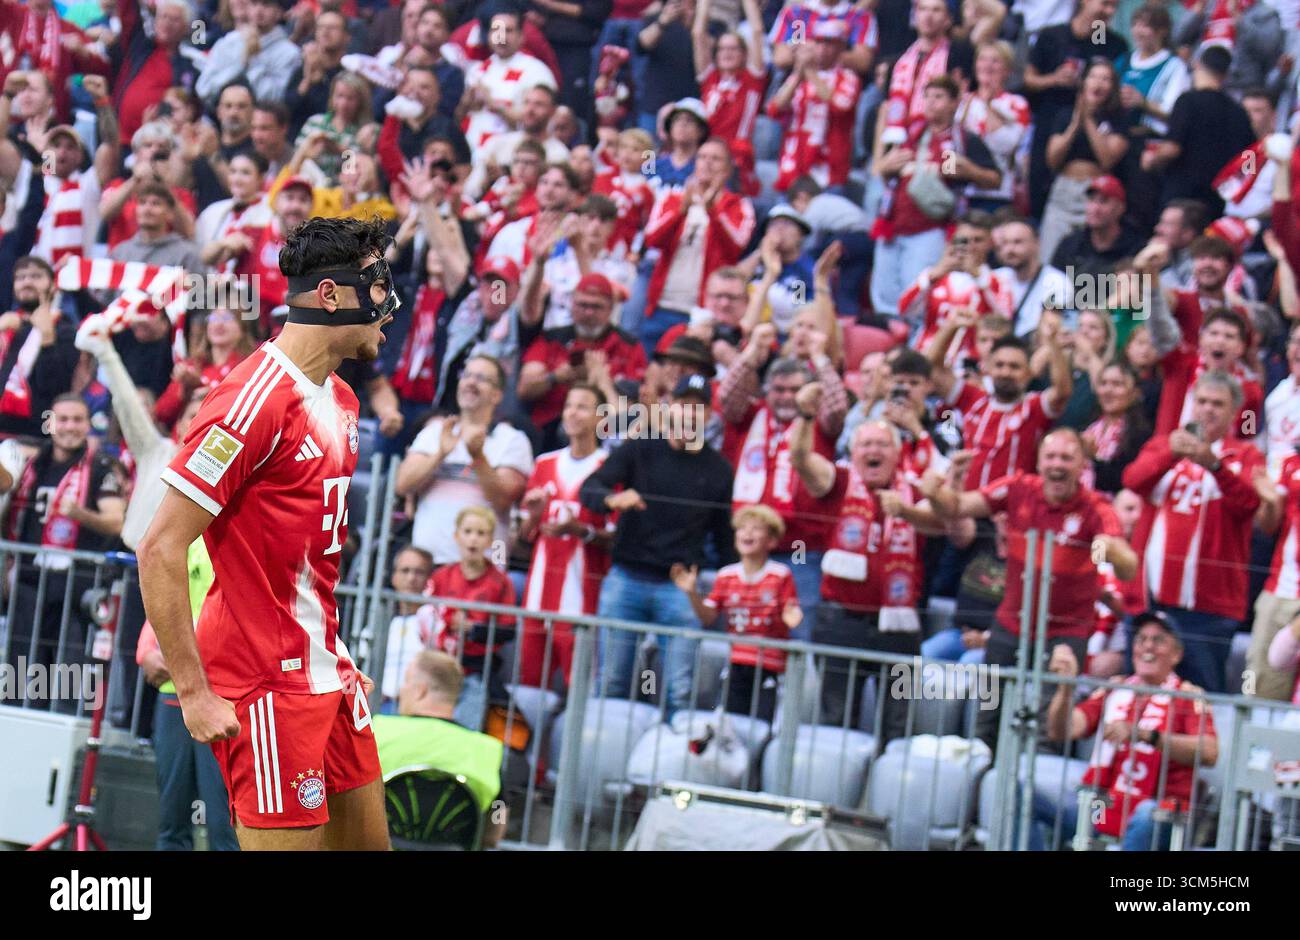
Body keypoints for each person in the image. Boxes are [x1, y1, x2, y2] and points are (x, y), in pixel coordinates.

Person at [137, 216, 401, 851]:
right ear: (330, 296)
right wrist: (194, 692)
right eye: (374, 284)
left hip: (326, 672)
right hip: (264, 685)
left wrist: (329, 650)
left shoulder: (342, 398)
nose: (388, 305)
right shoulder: (248, 402)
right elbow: (160, 546)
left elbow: (302, 559)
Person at [924, 428, 1138, 746]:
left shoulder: (1096, 510)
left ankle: (1033, 784)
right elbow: (956, 507)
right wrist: (933, 492)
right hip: (1011, 622)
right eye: (1051, 456)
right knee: (988, 712)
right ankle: (983, 771)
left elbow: (1128, 567)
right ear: (1038, 463)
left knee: (1048, 724)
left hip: (1066, 632)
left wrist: (1112, 550)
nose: (1058, 464)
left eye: (1067, 458)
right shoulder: (1018, 489)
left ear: (1082, 466)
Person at [578, 373, 736, 716]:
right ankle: (600, 759)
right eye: (684, 405)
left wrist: (734, 586)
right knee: (610, 682)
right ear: (670, 408)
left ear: (708, 416)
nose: (690, 414)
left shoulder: (720, 470)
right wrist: (611, 500)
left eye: (698, 408)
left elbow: (725, 540)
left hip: (680, 586)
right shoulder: (639, 448)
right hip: (626, 578)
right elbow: (590, 488)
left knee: (680, 692)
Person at [792, 412, 944, 740]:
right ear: (853, 450)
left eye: (882, 444)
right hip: (840, 622)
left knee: (898, 723)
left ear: (898, 452)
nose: (873, 450)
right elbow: (801, 460)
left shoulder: (914, 492)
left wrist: (906, 512)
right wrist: (806, 417)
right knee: (837, 717)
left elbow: (942, 524)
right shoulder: (840, 482)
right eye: (865, 444)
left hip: (900, 627)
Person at [1122, 371, 1267, 693]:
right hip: (1150, 601)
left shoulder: (1246, 455)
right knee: (1139, 694)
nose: (1208, 409)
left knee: (1199, 703)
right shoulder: (1164, 445)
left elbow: (1248, 504)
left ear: (1234, 412)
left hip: (1208, 611)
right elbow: (1133, 480)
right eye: (1201, 401)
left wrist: (1214, 465)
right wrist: (1169, 454)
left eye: (1218, 403)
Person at [1040, 613, 1217, 851]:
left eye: (1158, 640)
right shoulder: (1114, 688)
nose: (1147, 646)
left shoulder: (1188, 696)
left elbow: (1209, 752)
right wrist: (1065, 688)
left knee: (1145, 813)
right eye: (1141, 639)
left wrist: (1146, 735)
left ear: (1176, 654)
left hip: (1159, 812)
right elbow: (1061, 730)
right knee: (1020, 791)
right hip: (1102, 808)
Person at [870, 76, 1002, 318]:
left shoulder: (961, 140)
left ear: (954, 103)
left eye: (939, 97)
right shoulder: (910, 134)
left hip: (931, 229)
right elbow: (881, 173)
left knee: (916, 293)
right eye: (927, 97)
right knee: (884, 296)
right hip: (892, 225)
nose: (931, 103)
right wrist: (885, 166)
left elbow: (994, 179)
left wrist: (969, 170)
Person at [518, 384, 613, 690]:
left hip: (582, 594)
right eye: (569, 405)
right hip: (538, 593)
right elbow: (523, 534)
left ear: (601, 418)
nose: (572, 412)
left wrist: (579, 531)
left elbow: (616, 537)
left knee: (578, 687)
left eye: (583, 406)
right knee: (530, 685)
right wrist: (534, 515)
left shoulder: (609, 468)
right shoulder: (544, 463)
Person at [397, 353, 534, 566]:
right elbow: (402, 484)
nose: (471, 382)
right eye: (467, 375)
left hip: (485, 568)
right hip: (426, 566)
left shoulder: (513, 440)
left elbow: (504, 501)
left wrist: (477, 457)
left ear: (497, 395)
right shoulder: (435, 432)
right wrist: (439, 455)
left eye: (481, 378)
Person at [671, 505, 801, 722]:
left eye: (756, 528)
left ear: (771, 540)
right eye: (742, 528)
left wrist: (791, 617)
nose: (747, 533)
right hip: (736, 660)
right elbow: (709, 617)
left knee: (762, 723)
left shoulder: (780, 575)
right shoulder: (725, 575)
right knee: (731, 721)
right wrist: (692, 593)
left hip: (769, 664)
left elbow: (791, 611)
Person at [372, 650, 507, 847]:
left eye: (406, 681)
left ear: (421, 690)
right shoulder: (488, 751)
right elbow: (496, 825)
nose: (401, 690)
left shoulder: (376, 731)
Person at [641, 136, 755, 352]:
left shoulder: (738, 205)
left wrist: (713, 211)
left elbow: (736, 247)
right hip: (662, 305)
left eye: (716, 159)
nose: (707, 163)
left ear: (728, 169)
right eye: (702, 157)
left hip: (705, 311)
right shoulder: (672, 198)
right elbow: (652, 239)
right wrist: (681, 212)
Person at [518, 272, 646, 450]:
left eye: (596, 307)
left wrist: (602, 382)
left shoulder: (629, 346)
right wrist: (556, 377)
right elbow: (524, 388)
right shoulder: (551, 338)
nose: (588, 312)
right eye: (582, 305)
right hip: (546, 431)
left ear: (610, 308)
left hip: (605, 436)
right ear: (572, 303)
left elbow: (630, 419)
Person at [426, 505, 518, 730]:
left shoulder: (501, 582)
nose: (473, 540)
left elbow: (508, 630)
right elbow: (426, 615)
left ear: (490, 541)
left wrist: (473, 629)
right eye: (467, 532)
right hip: (438, 667)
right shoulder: (441, 576)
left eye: (481, 533)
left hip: (476, 671)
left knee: (464, 728)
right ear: (457, 536)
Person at [1141, 45, 1255, 219]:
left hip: (1182, 200)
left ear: (1197, 65)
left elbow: (1172, 148)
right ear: (1225, 74)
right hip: (1218, 201)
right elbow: (1250, 157)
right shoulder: (1238, 111)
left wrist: (1152, 161)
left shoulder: (1188, 101)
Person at [1039, 60, 1132, 266]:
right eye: (1093, 77)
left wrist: (1089, 120)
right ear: (1084, 82)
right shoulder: (1064, 115)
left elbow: (1107, 159)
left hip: (1094, 193)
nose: (1098, 83)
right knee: (1049, 255)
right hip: (1064, 190)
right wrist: (1075, 122)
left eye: (1105, 79)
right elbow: (1052, 159)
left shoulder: (1118, 119)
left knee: (1085, 256)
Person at [904, 213, 1012, 366]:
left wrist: (978, 275)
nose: (970, 246)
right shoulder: (933, 276)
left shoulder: (998, 280)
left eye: (978, 240)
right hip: (927, 357)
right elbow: (905, 312)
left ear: (990, 243)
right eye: (964, 240)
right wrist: (935, 274)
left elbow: (1005, 319)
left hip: (972, 363)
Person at [767, 19, 861, 193]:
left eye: (829, 44)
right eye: (818, 42)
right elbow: (774, 109)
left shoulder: (848, 78)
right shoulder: (798, 78)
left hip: (829, 173)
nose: (822, 48)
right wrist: (797, 73)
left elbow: (840, 106)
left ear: (841, 48)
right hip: (794, 169)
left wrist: (809, 72)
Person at [0, 256, 80, 439]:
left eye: (36, 276)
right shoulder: (8, 325)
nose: (27, 282)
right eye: (20, 278)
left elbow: (56, 386)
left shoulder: (64, 329)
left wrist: (47, 338)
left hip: (39, 434)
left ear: (53, 286)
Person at [459, 10, 558, 152]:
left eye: (508, 30)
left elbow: (541, 121)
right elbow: (459, 118)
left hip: (515, 154)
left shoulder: (536, 71)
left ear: (521, 36)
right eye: (496, 30)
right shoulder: (477, 70)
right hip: (473, 151)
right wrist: (466, 103)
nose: (501, 36)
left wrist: (492, 103)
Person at [195, 0, 303, 106]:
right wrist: (238, 67)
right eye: (254, 3)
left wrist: (254, 60)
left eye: (266, 4)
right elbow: (203, 89)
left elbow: (274, 99)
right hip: (220, 116)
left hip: (262, 120)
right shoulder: (228, 42)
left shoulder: (290, 53)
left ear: (279, 12)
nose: (258, 10)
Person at [693, 0, 769, 147]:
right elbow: (698, 34)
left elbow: (757, 31)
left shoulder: (752, 79)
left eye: (733, 49)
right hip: (708, 151)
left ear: (744, 54)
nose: (727, 53)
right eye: (722, 49)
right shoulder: (711, 78)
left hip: (738, 156)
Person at [1049, 174, 1146, 279]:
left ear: (1120, 208)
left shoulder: (1135, 248)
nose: (1095, 208)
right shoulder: (1070, 244)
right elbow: (1054, 284)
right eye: (1091, 200)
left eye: (1103, 201)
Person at [991, 216, 1070, 337]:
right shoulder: (995, 278)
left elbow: (1051, 330)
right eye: (1005, 243)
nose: (1009, 250)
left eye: (1017, 242)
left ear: (1036, 243)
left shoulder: (1056, 281)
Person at [109, 182, 204, 270]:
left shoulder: (187, 254)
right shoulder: (119, 254)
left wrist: (186, 282)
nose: (147, 209)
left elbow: (203, 286)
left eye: (156, 203)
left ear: (170, 213)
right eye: (142, 202)